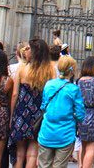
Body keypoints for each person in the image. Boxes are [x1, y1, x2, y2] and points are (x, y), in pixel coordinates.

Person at [10, 38, 57, 168]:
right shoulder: (50, 70)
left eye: (28, 48)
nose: (26, 51)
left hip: (21, 113)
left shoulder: (22, 68)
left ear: (34, 51)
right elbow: (52, 94)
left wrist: (11, 115)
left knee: (19, 155)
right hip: (39, 114)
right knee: (32, 154)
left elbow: (15, 94)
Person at [36, 56, 84, 168]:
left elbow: (43, 106)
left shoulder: (49, 85)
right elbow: (80, 114)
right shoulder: (73, 89)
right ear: (72, 71)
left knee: (43, 165)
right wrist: (73, 117)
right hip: (65, 134)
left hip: (46, 132)